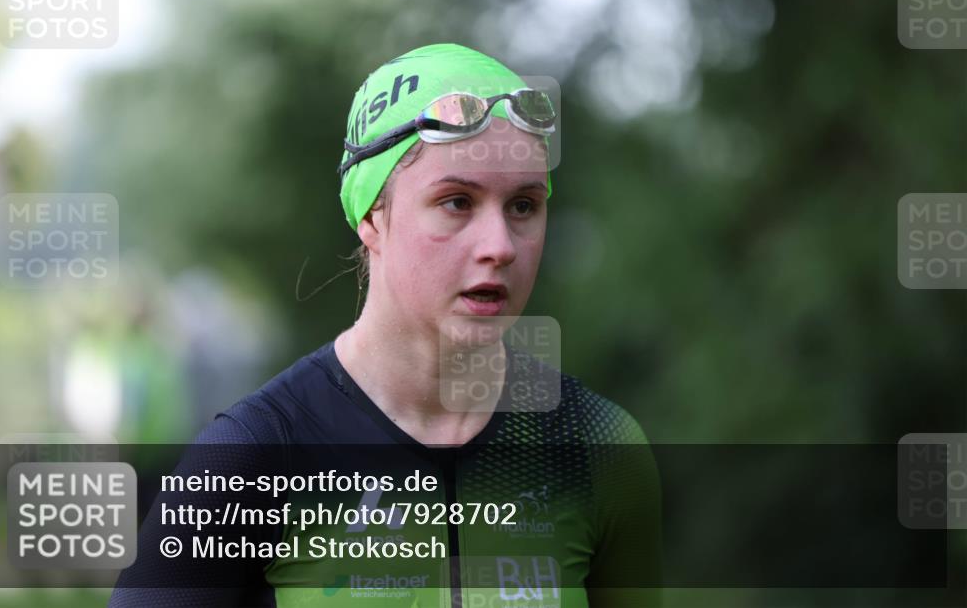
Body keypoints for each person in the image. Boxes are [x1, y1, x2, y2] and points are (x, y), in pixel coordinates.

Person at [110, 43, 661, 608]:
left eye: (523, 206)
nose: (499, 247)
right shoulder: (253, 456)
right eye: (456, 202)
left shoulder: (599, 447)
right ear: (374, 216)